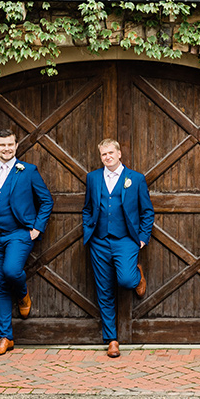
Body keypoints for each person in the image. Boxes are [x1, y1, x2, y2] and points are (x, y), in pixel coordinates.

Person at [0, 129, 53, 357]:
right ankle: (5, 337)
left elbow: (46, 200)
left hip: (19, 233)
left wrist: (37, 227)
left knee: (11, 270)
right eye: (2, 145)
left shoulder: (28, 171)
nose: (6, 148)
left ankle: (23, 293)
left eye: (10, 144)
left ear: (16, 146)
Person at [82, 139, 154, 358]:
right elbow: (87, 208)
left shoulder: (136, 178)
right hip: (99, 240)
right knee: (104, 290)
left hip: (125, 240)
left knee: (125, 280)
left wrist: (142, 238)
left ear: (119, 153)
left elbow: (147, 211)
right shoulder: (93, 178)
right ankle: (112, 339)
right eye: (103, 154)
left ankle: (137, 277)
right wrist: (89, 230)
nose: (107, 157)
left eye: (111, 153)